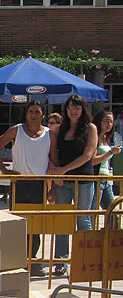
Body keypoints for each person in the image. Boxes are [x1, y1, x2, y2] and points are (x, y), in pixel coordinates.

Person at [0, 100, 51, 277]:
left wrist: (52, 188)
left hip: (40, 184)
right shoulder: (17, 130)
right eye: (31, 111)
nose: (34, 115)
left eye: (37, 112)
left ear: (42, 115)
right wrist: (4, 170)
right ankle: (17, 260)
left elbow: (53, 160)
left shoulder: (49, 134)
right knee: (18, 223)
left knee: (36, 225)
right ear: (26, 114)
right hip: (19, 183)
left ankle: (32, 259)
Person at [49, 95, 98, 276]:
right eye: (70, 107)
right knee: (62, 220)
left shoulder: (90, 128)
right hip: (63, 182)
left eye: (76, 107)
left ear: (82, 109)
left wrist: (64, 169)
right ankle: (61, 261)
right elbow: (53, 152)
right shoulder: (60, 129)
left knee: (83, 219)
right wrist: (56, 172)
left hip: (83, 180)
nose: (73, 110)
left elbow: (88, 155)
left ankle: (88, 259)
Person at [91, 110, 122, 217]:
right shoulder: (94, 137)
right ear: (99, 121)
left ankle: (112, 233)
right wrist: (111, 152)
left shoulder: (106, 138)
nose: (109, 124)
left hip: (106, 180)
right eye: (106, 121)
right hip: (96, 179)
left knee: (114, 213)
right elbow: (92, 160)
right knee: (92, 213)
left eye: (111, 122)